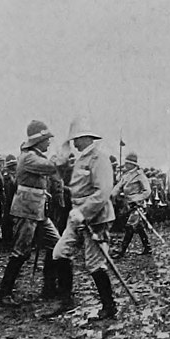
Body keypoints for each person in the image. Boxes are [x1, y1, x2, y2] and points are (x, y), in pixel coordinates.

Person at [50, 117, 118, 319]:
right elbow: (65, 175)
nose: (73, 143)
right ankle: (66, 301)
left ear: (85, 137)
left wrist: (84, 212)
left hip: (96, 217)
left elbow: (103, 192)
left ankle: (109, 306)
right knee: (59, 253)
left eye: (76, 139)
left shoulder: (100, 159)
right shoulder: (80, 159)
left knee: (95, 263)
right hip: (76, 215)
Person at [0, 121, 63, 306]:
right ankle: (5, 293)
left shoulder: (35, 156)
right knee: (21, 251)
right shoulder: (28, 157)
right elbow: (51, 167)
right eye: (46, 139)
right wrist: (62, 158)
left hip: (39, 212)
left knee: (57, 245)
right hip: (26, 211)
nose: (49, 143)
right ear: (38, 140)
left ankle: (49, 287)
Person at [110, 152, 152, 257]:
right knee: (138, 227)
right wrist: (110, 196)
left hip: (137, 205)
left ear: (133, 164)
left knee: (130, 226)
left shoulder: (140, 175)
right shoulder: (126, 175)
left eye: (127, 163)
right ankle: (147, 247)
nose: (125, 165)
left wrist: (136, 199)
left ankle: (122, 251)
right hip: (128, 204)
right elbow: (118, 187)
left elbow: (147, 191)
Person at [1, 154, 17, 244]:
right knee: (7, 219)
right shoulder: (6, 174)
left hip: (14, 199)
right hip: (8, 199)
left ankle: (9, 239)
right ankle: (6, 239)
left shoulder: (16, 174)